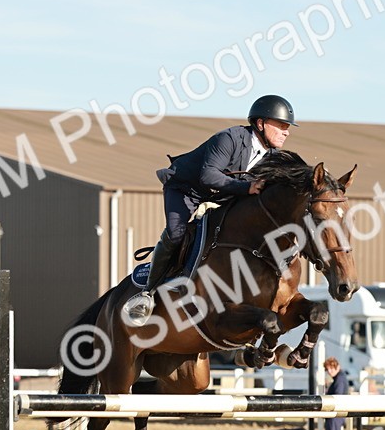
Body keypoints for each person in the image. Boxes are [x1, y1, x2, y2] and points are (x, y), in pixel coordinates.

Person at [122, 94, 298, 325]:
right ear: (261, 123)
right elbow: (208, 176)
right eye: (282, 126)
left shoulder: (272, 157)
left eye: (288, 128)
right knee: (177, 234)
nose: (286, 132)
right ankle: (147, 292)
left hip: (222, 196)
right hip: (186, 189)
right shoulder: (230, 138)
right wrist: (246, 189)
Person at [322, 357, 348, 430]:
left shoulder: (340, 379)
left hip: (335, 415)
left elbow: (337, 395)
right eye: (328, 369)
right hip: (337, 415)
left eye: (332, 368)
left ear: (337, 367)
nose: (330, 371)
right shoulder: (340, 378)